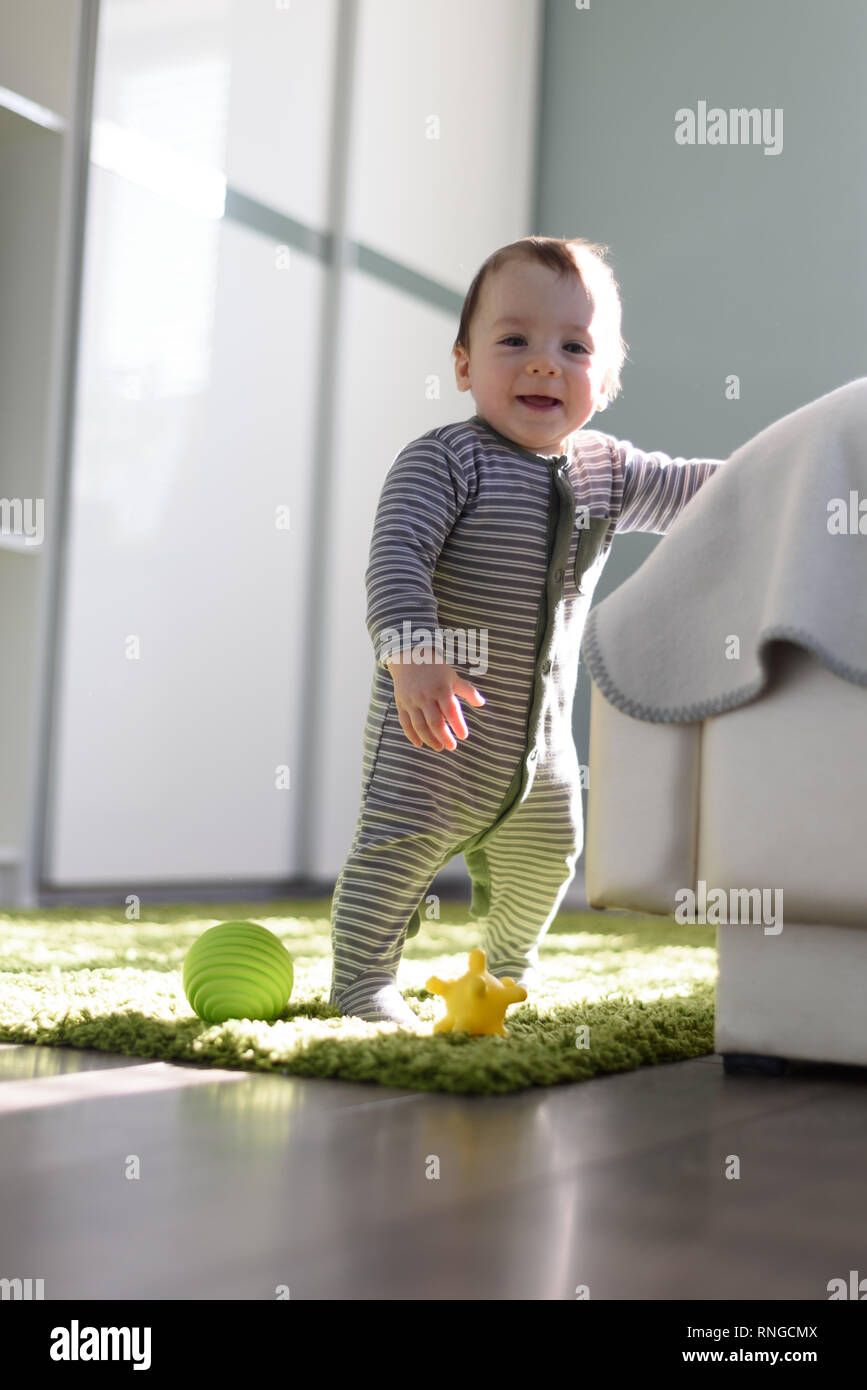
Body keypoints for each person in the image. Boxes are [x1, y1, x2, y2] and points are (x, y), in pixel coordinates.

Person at [329, 235, 725, 1024]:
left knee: (549, 855)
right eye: (514, 341)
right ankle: (362, 981)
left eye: (572, 347)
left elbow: (699, 493)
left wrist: (784, 475)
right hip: (434, 727)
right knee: (396, 850)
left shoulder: (607, 471)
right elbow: (396, 559)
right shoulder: (443, 462)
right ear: (465, 365)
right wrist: (415, 655)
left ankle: (507, 968)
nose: (543, 363)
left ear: (603, 381)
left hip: (540, 746)